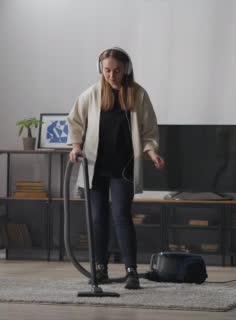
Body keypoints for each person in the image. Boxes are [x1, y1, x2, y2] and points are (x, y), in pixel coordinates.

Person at [67, 47, 165, 290]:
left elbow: (149, 129)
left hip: (124, 168)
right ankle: (100, 269)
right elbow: (76, 121)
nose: (111, 75)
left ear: (126, 70)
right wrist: (76, 146)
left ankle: (131, 271)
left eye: (117, 70)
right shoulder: (92, 94)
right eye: (107, 70)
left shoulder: (137, 94)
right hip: (95, 166)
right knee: (98, 218)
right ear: (101, 69)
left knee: (122, 216)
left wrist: (152, 152)